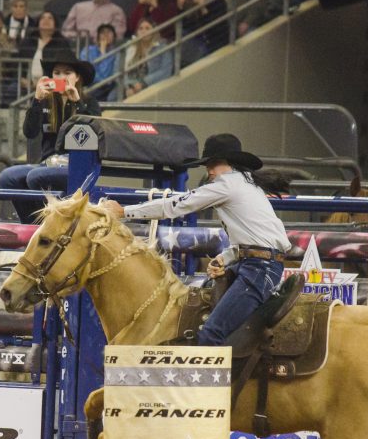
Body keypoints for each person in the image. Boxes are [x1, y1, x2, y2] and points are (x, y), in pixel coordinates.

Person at [104, 134, 291, 345]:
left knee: (211, 333)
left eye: (214, 163)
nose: (209, 170)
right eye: (207, 165)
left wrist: (124, 211)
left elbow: (176, 205)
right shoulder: (246, 184)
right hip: (259, 266)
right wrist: (227, 257)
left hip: (258, 268)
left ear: (230, 163)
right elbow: (258, 237)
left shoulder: (226, 185)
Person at [0, 48, 101, 222]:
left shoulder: (89, 102)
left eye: (68, 73)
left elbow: (95, 133)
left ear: (77, 77)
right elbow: (29, 132)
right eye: (57, 73)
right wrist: (36, 100)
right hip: (47, 163)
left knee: (35, 177)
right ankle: (32, 226)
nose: (62, 77)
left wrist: (77, 103)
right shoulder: (45, 100)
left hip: (78, 165)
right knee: (7, 177)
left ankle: (50, 225)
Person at [16, 10, 69, 94]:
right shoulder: (27, 42)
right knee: (11, 88)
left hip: (52, 86)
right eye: (43, 18)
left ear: (55, 24)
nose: (46, 20)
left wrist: (42, 84)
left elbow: (65, 73)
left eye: (50, 18)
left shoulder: (62, 43)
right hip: (26, 85)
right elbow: (16, 65)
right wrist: (21, 79)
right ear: (38, 23)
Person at [123, 16, 172, 97]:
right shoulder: (130, 47)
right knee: (112, 97)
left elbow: (166, 70)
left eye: (147, 28)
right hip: (132, 86)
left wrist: (144, 83)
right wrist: (129, 86)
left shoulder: (163, 47)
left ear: (154, 31)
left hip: (153, 85)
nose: (143, 31)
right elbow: (121, 71)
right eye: (141, 28)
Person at [78, 22, 118, 101]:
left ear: (114, 36)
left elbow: (106, 75)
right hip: (91, 85)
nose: (106, 35)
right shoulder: (87, 50)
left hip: (108, 88)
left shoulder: (117, 53)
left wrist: (103, 53)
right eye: (103, 32)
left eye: (109, 32)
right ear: (98, 36)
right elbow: (86, 71)